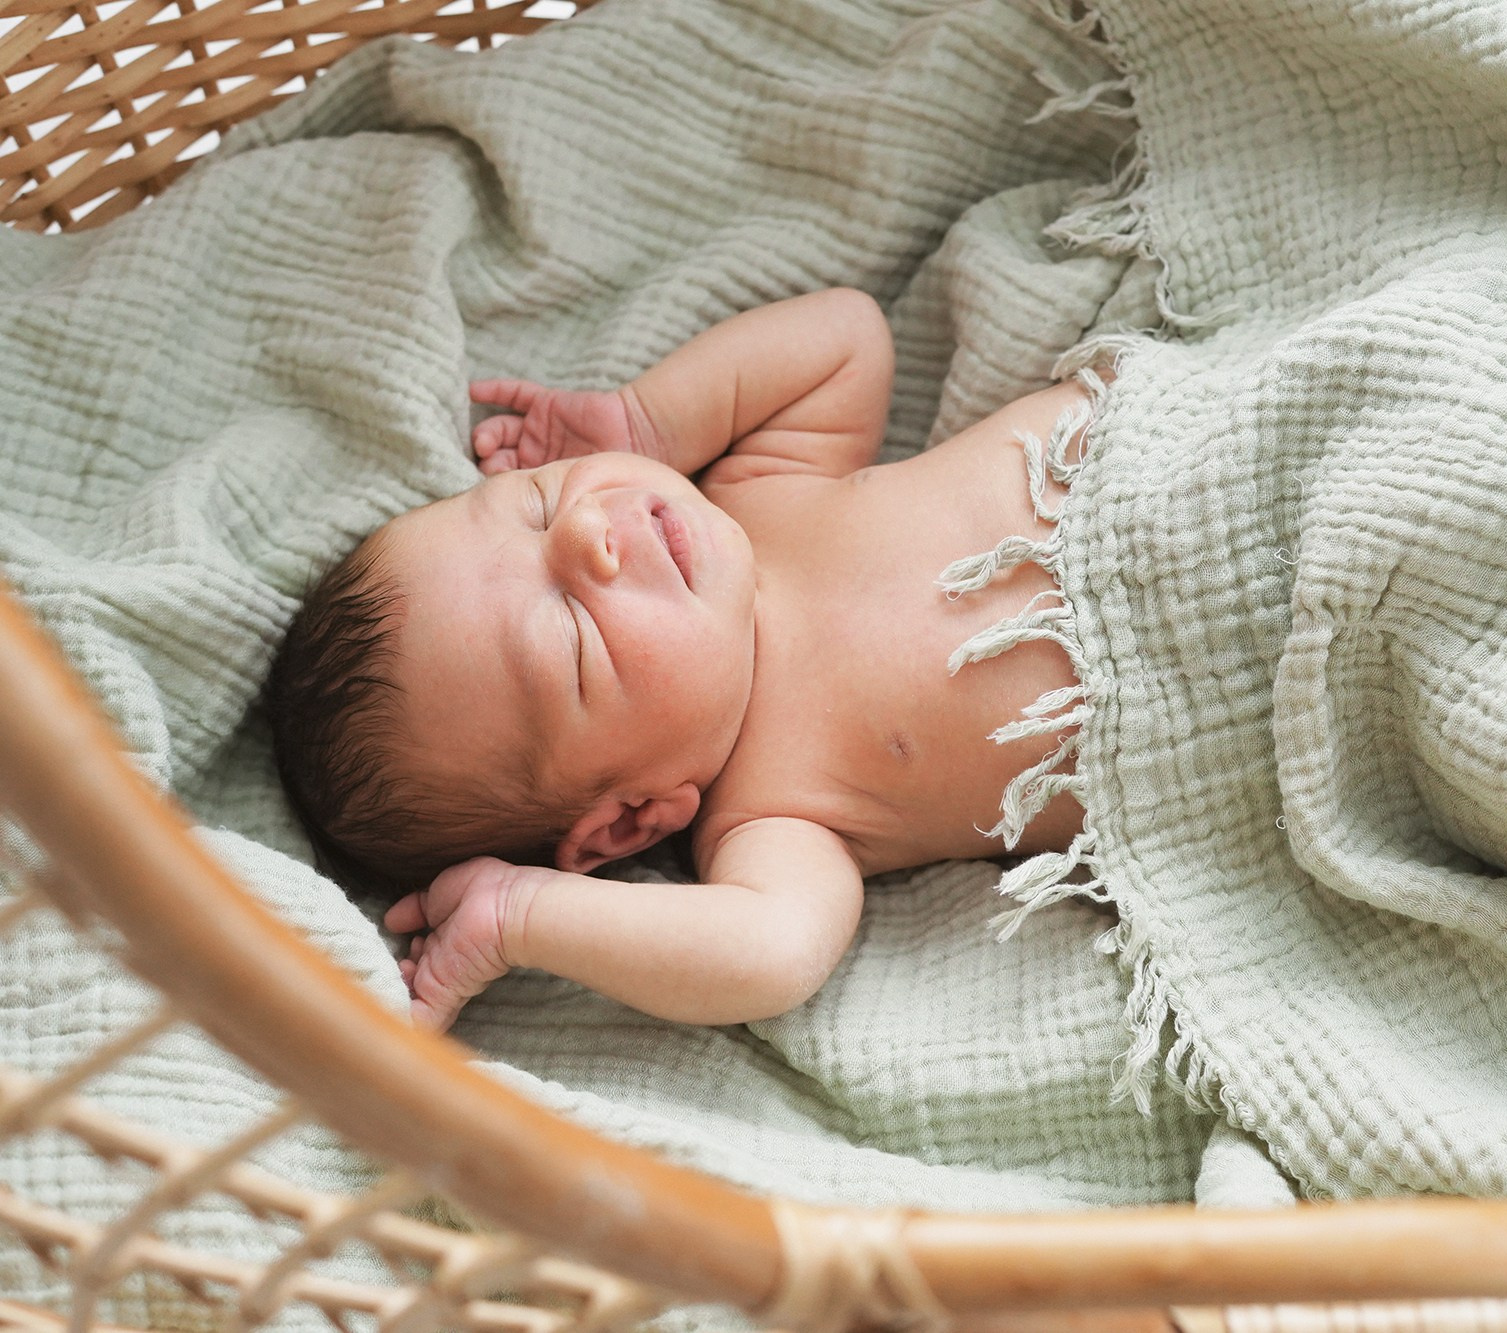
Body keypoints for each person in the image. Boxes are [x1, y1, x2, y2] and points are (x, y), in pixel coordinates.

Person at [265, 288, 1095, 1033]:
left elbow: (847, 334)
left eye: (536, 502)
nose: (583, 530)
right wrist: (521, 915)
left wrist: (646, 423)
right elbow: (774, 954)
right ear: (631, 819)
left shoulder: (762, 487)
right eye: (573, 631)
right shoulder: (775, 813)